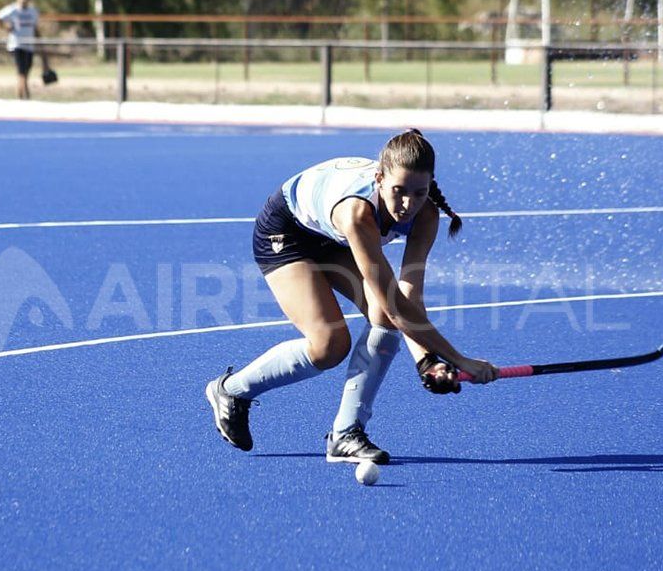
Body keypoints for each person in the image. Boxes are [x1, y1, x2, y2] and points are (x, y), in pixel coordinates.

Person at [206, 129, 500, 464]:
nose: (407, 205)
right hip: (287, 232)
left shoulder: (426, 216)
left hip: (333, 239)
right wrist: (461, 360)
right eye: (398, 191)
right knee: (329, 345)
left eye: (419, 193)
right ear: (379, 179)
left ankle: (346, 434)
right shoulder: (358, 214)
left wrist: (427, 361)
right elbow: (398, 310)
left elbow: (408, 299)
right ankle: (230, 390)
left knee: (381, 314)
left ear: (430, 187)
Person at [0, 0, 42, 99]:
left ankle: (22, 97)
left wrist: (40, 43)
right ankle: (25, 97)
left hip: (29, 45)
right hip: (17, 45)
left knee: (26, 72)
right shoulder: (12, 10)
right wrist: (6, 27)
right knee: (21, 73)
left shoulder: (33, 11)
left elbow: (35, 28)